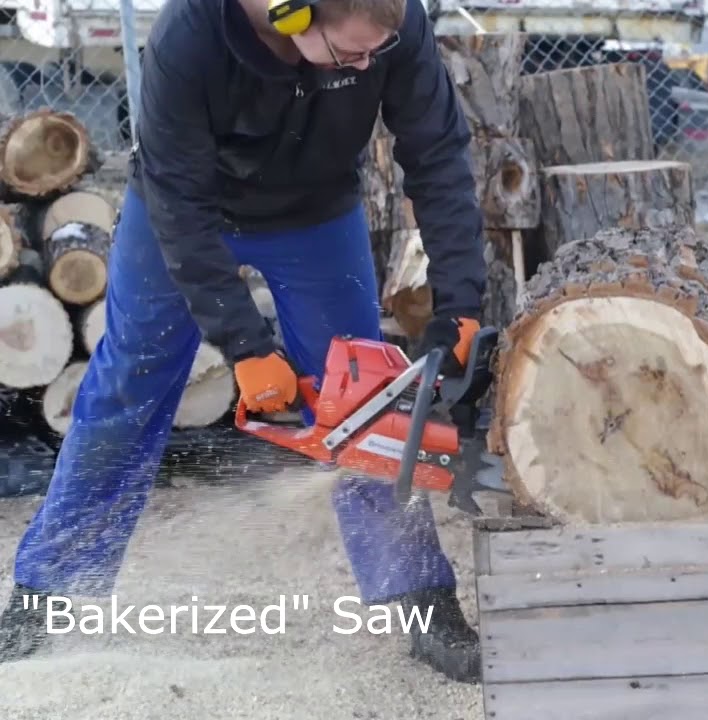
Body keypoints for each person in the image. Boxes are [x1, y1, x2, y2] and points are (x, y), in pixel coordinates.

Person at [0, 0, 489, 683]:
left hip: (316, 213)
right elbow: (178, 201)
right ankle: (52, 595)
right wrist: (246, 344)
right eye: (351, 56)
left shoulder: (390, 25)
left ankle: (417, 600)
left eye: (375, 54)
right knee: (126, 388)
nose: (367, 67)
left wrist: (462, 301)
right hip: (184, 210)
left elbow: (437, 156)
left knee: (368, 402)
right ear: (294, 15)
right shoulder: (190, 33)